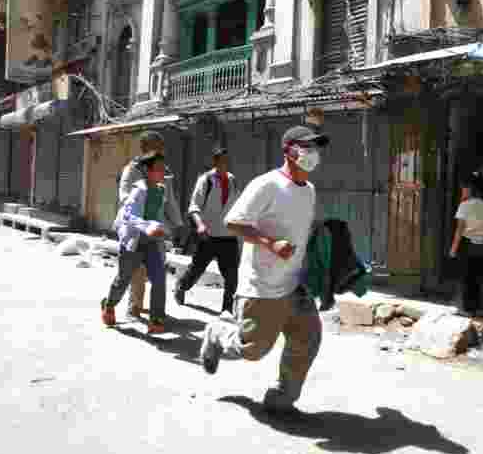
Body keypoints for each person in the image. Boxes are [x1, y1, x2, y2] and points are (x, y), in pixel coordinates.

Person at [198, 125, 329, 414]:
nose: (312, 153)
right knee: (253, 350)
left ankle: (281, 398)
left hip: (294, 285)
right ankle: (218, 333)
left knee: (308, 338)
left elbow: (298, 231)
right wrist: (270, 243)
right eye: (305, 147)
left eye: (315, 147)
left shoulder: (308, 190)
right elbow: (234, 221)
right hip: (262, 287)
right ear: (288, 151)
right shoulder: (267, 184)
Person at [102, 152, 171, 335]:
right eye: (158, 168)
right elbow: (129, 216)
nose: (162, 171)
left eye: (163, 168)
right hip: (133, 240)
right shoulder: (139, 190)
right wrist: (148, 228)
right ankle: (109, 305)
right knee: (123, 279)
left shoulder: (161, 189)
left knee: (159, 279)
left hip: (152, 242)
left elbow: (156, 214)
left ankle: (156, 319)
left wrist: (163, 230)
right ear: (147, 171)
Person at [117, 131, 184, 318]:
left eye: (162, 147)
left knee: (156, 270)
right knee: (136, 270)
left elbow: (170, 200)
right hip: (136, 229)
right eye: (157, 146)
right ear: (144, 148)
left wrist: (177, 224)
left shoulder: (164, 170)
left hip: (156, 229)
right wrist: (137, 217)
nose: (161, 150)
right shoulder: (132, 169)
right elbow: (124, 196)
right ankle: (134, 306)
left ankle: (155, 313)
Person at [173, 145, 240, 317]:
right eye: (222, 160)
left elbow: (237, 204)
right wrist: (200, 225)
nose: (225, 163)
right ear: (215, 162)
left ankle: (227, 311)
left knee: (232, 277)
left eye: (227, 160)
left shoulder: (232, 180)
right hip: (208, 236)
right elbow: (193, 207)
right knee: (197, 269)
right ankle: (182, 286)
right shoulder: (206, 180)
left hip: (228, 236)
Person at [449, 172, 483, 316]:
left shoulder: (464, 205)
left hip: (466, 243)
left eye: (464, 188)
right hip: (480, 243)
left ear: (470, 188)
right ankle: (473, 308)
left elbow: (460, 229)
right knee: (475, 277)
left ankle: (464, 308)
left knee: (464, 276)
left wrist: (453, 248)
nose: (462, 190)